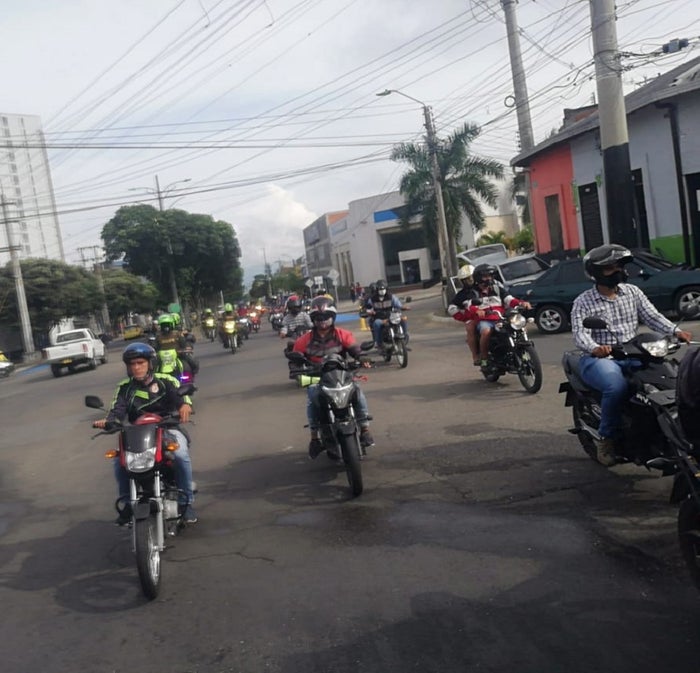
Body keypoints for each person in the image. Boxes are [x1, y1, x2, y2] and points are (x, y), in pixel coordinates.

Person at [571, 243, 692, 466]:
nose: (618, 271)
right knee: (615, 386)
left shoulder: (633, 292)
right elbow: (580, 334)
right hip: (601, 357)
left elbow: (653, 317)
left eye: (620, 266)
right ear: (597, 273)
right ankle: (606, 440)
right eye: (610, 268)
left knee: (671, 381)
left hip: (635, 352)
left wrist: (676, 331)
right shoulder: (583, 301)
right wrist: (595, 347)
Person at [92, 342, 197, 525]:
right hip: (137, 433)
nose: (136, 367)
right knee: (119, 463)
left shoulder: (166, 380)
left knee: (180, 455)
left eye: (140, 362)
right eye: (132, 364)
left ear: (150, 363)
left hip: (167, 428)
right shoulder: (124, 387)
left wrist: (185, 406)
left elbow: (181, 398)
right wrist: (108, 421)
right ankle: (128, 504)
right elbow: (117, 411)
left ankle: (186, 503)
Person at [292, 296, 374, 458]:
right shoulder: (304, 340)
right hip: (318, 377)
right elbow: (295, 358)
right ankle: (314, 438)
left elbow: (355, 349)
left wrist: (362, 358)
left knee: (357, 392)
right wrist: (295, 369)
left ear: (333, 317)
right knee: (312, 397)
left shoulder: (342, 334)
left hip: (342, 375)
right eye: (319, 317)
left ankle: (365, 429)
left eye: (326, 317)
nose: (323, 321)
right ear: (313, 319)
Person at [463, 263, 531, 367]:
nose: (489, 278)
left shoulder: (497, 289)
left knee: (519, 328)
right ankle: (484, 358)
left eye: (490, 276)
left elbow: (509, 299)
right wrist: (477, 310)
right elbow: (469, 305)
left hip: (501, 318)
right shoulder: (473, 292)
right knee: (485, 332)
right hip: (486, 320)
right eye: (485, 276)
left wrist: (521, 303)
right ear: (478, 278)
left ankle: (524, 354)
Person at [365, 279, 409, 350]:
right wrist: (370, 312)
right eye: (380, 289)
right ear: (377, 289)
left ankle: (404, 338)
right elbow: (368, 308)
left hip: (391, 317)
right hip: (379, 319)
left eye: (383, 289)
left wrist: (404, 307)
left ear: (386, 289)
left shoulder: (391, 297)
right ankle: (379, 343)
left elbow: (398, 305)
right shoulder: (372, 299)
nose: (382, 290)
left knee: (403, 320)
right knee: (376, 323)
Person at [448, 264, 478, 362]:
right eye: (466, 279)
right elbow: (452, 308)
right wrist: (464, 318)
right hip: (474, 319)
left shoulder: (485, 287)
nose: (470, 280)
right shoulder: (461, 295)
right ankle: (475, 356)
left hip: (492, 315)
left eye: (471, 277)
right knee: (470, 328)